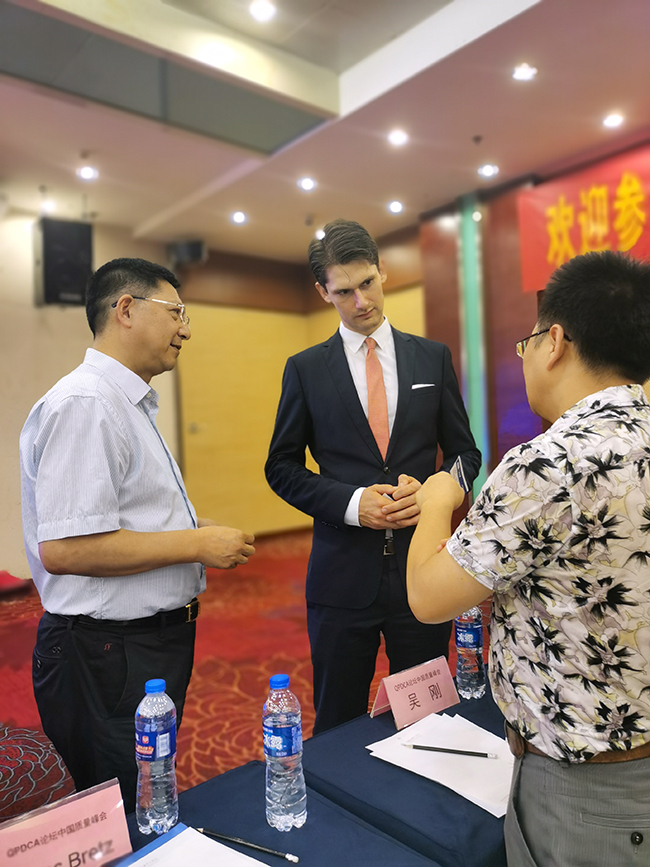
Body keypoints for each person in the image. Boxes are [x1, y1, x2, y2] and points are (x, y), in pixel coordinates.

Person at [407, 250, 650, 866]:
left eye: (527, 342)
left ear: (555, 342)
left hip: (586, 787)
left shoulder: (550, 462)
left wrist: (437, 501)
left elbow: (429, 597)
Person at [20, 257, 255, 812]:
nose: (185, 329)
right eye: (176, 312)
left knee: (147, 791)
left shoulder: (124, 402)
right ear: (125, 309)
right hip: (106, 652)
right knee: (123, 803)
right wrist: (196, 545)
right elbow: (67, 549)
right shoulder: (87, 403)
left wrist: (193, 528)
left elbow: (123, 516)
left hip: (137, 648)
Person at [265, 219, 481, 734]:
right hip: (341, 578)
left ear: (383, 270)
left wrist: (435, 493)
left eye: (367, 283)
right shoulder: (306, 369)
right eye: (344, 292)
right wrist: (352, 503)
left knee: (428, 717)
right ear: (323, 292)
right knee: (337, 722)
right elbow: (281, 467)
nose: (361, 301)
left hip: (422, 570)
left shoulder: (432, 357)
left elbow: (465, 454)